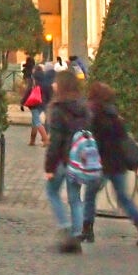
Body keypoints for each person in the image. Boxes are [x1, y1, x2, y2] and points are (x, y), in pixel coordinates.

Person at [81, 82, 138, 246]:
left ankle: (88, 229)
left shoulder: (93, 116)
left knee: (90, 194)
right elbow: (123, 141)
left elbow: (91, 140)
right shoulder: (115, 117)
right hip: (118, 164)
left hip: (100, 163)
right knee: (123, 198)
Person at [43, 71, 90, 253]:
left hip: (63, 158)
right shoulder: (84, 107)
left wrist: (49, 167)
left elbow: (55, 141)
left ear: (61, 85)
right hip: (79, 158)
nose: (53, 85)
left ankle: (64, 225)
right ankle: (77, 234)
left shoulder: (58, 108)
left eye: (55, 82)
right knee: (75, 198)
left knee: (52, 191)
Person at [23, 63, 49, 147]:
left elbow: (28, 91)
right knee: (34, 121)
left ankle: (45, 140)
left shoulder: (33, 78)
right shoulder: (45, 78)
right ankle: (32, 140)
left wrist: (22, 102)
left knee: (37, 121)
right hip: (43, 102)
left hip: (34, 102)